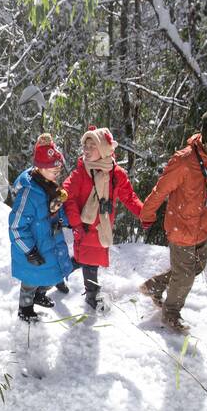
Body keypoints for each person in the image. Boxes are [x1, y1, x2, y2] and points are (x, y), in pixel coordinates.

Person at [138, 109, 207, 333]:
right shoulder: (184, 161)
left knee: (197, 267)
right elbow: (161, 190)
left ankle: (155, 285)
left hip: (205, 225)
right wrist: (147, 214)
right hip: (181, 226)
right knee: (185, 275)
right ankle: (171, 313)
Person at [63, 126, 144, 313]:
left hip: (102, 227)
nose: (87, 149)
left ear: (105, 150)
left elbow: (129, 197)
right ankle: (91, 294)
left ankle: (55, 277)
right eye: (85, 145)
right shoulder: (81, 172)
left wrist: (144, 213)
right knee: (88, 261)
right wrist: (75, 224)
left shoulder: (116, 174)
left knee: (83, 260)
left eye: (93, 146)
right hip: (84, 227)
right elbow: (67, 194)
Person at [8, 133, 74, 322]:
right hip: (34, 247)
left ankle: (39, 295)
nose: (58, 170)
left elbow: (55, 210)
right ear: (40, 168)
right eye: (53, 167)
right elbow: (15, 226)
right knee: (30, 280)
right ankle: (25, 308)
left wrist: (63, 220)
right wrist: (29, 251)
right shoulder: (29, 194)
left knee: (52, 275)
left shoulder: (49, 185)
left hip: (49, 242)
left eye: (58, 167)